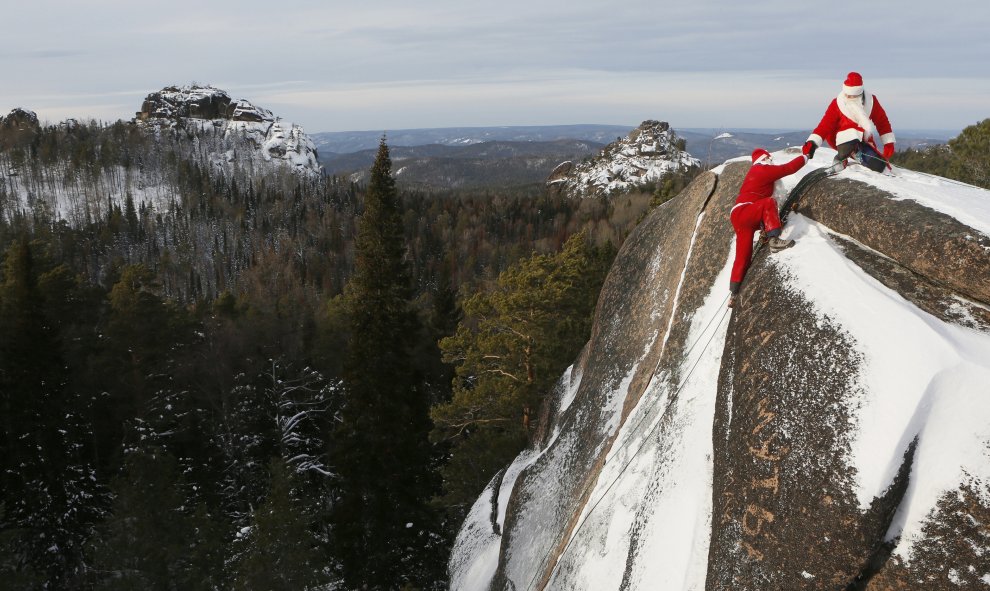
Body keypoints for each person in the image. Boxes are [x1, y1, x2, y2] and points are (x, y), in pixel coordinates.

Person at [728, 148, 808, 308]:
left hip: (739, 214)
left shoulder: (755, 171)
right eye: (769, 158)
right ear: (764, 158)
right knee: (769, 203)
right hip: (746, 211)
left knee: (743, 255)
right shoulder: (761, 169)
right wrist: (806, 156)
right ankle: (774, 241)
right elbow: (788, 168)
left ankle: (734, 293)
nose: (771, 160)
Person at [802, 72, 895, 170]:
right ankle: (840, 159)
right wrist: (812, 143)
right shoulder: (837, 103)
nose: (848, 97)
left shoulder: (871, 101)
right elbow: (824, 126)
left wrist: (888, 142)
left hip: (863, 141)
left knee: (878, 166)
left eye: (852, 96)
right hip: (844, 141)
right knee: (850, 138)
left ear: (859, 94)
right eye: (847, 95)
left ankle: (860, 155)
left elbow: (882, 121)